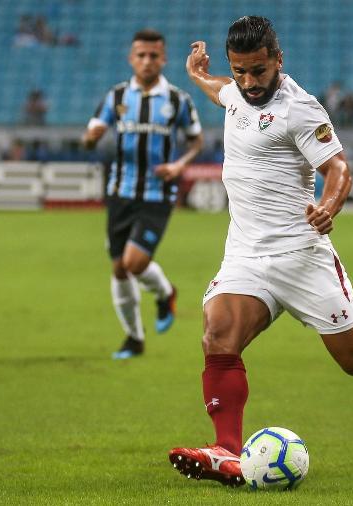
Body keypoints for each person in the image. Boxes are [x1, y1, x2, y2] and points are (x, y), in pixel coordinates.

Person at [168, 16, 353, 487]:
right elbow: (222, 91)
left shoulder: (301, 109)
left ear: (279, 59)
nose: (249, 82)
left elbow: (338, 169)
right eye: (241, 71)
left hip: (301, 254)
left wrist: (328, 205)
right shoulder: (237, 90)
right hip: (246, 254)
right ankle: (225, 450)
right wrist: (199, 74)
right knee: (218, 337)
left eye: (259, 70)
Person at [81, 29, 204, 360]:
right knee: (119, 268)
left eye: (154, 55)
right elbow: (91, 135)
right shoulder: (116, 97)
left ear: (163, 59)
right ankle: (134, 338)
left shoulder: (177, 100)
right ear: (131, 58)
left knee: (134, 262)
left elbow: (196, 141)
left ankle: (165, 293)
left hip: (157, 193)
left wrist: (180, 165)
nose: (147, 61)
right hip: (120, 192)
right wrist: (91, 138)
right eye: (141, 55)